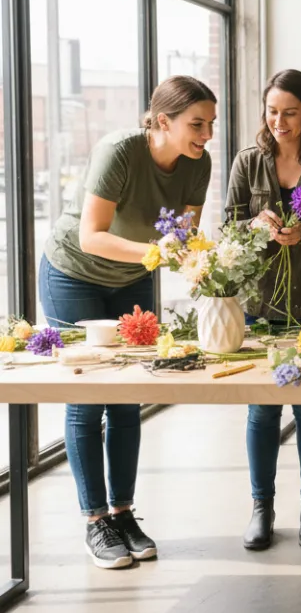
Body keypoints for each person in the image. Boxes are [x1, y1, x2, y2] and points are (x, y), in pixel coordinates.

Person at [39, 75, 217, 569]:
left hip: (134, 277)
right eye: (196, 124)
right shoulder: (119, 151)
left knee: (126, 398)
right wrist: (157, 252)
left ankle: (123, 513)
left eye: (210, 124)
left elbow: (182, 236)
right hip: (75, 274)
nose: (206, 135)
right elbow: (92, 236)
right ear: (163, 121)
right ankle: (96, 522)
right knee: (90, 394)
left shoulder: (197, 165)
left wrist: (200, 263)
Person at [226, 69, 301, 551]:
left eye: (290, 113)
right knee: (262, 411)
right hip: (259, 304)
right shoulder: (247, 162)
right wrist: (258, 223)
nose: (279, 121)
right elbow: (230, 225)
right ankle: (261, 507)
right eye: (272, 111)